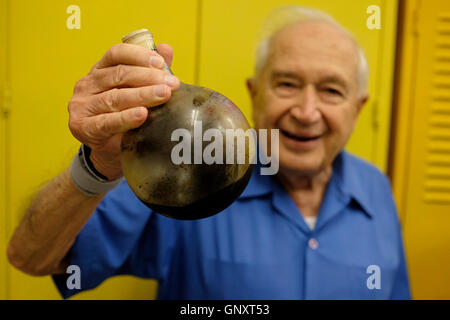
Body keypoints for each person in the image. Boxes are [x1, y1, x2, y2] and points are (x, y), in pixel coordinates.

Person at [7, 6, 411, 299]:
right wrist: (97, 168)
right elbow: (31, 257)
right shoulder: (185, 174)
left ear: (358, 107)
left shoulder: (376, 188)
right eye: (287, 84)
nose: (306, 113)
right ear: (254, 94)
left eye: (331, 91)